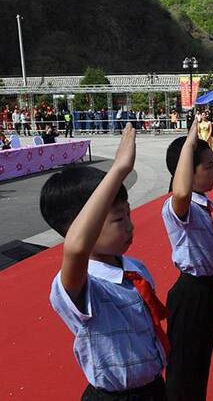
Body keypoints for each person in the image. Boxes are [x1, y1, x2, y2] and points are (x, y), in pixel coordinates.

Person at [44, 124, 169, 400]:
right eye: (117, 219)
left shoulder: (133, 268)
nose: (129, 226)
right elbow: (76, 248)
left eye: (128, 215)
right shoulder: (81, 284)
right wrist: (118, 170)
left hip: (152, 387)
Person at [162, 122, 213, 400]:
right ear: (186, 171)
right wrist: (190, 142)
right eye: (208, 167)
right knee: (183, 367)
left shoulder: (203, 203)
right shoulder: (180, 207)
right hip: (191, 293)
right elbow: (180, 192)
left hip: (209, 289)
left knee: (201, 361)